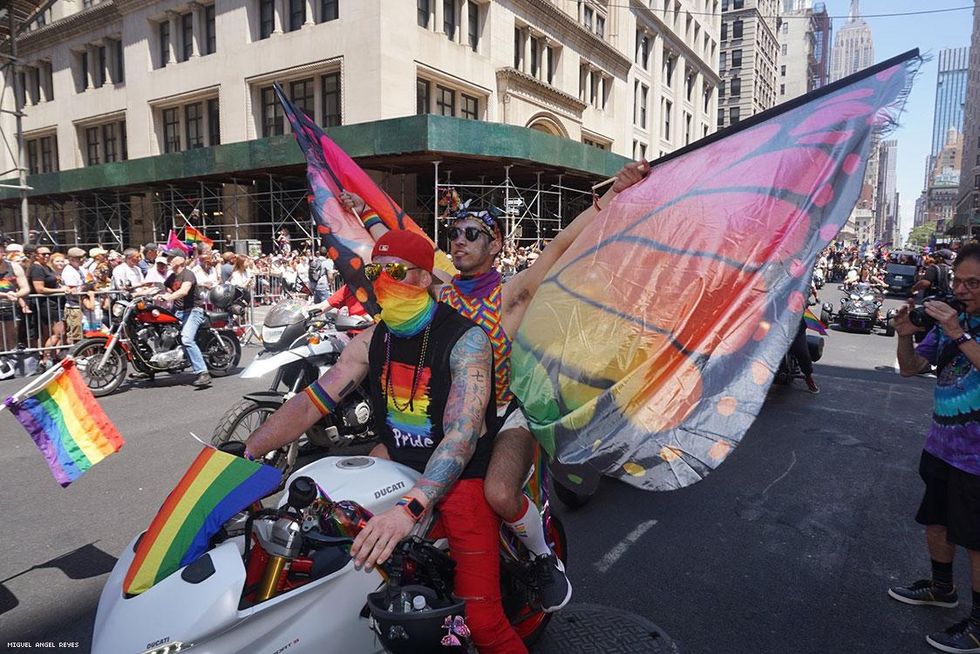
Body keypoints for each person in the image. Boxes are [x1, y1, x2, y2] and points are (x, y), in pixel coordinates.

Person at [340, 161, 649, 613]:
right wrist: (362, 210)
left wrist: (614, 194)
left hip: (506, 413)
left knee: (500, 494)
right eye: (454, 234)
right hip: (452, 418)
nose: (459, 241)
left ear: (496, 244)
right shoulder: (439, 290)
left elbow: (563, 244)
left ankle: (544, 558)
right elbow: (394, 253)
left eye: (471, 233)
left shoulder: (512, 294)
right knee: (370, 469)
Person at [244, 230, 525, 653]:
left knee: (482, 623)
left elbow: (463, 435)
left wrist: (409, 508)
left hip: (460, 475)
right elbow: (308, 406)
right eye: (376, 271)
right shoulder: (371, 340)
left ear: (426, 278)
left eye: (396, 271)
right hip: (393, 465)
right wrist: (246, 454)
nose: (383, 281)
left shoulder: (466, 338)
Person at [890, 241, 980, 653]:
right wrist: (905, 335)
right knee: (937, 522)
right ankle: (942, 588)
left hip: (977, 458)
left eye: (974, 283)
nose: (962, 290)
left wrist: (958, 333)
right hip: (942, 445)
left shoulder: (956, 327)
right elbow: (910, 370)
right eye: (960, 281)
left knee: (977, 540)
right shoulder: (952, 321)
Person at [159, 255, 211, 387]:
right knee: (162, 332)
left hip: (193, 310)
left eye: (172, 257)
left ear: (181, 260)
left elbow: (184, 290)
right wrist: (136, 294)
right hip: (178, 311)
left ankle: (203, 372)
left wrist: (169, 297)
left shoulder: (188, 274)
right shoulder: (172, 277)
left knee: (186, 339)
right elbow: (160, 288)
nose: (169, 260)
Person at [0, 251, 30, 351]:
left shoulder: (14, 267)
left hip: (10, 308)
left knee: (11, 337)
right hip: (6, 301)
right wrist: (5, 295)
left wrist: (16, 295)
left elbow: (25, 288)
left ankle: (10, 363)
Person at [61, 247, 86, 345]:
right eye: (79, 258)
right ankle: (75, 356)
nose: (82, 260)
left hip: (82, 305)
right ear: (71, 259)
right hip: (74, 307)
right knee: (76, 335)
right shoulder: (69, 271)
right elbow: (73, 291)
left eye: (83, 257)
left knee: (84, 334)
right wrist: (86, 288)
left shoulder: (80, 269)